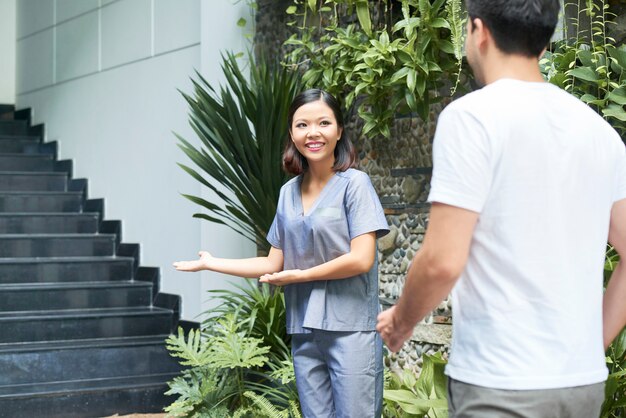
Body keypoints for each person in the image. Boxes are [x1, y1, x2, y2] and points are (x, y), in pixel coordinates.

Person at [376, 0, 626, 417]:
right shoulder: (598, 132)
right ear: (544, 45)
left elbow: (441, 261)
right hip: (580, 385)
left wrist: (401, 322)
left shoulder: (471, 118)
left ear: (479, 32)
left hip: (501, 384)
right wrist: (588, 346)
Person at [174, 88, 389, 418]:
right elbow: (273, 261)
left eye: (323, 123)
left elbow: (362, 258)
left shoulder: (354, 185)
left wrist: (301, 275)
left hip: (350, 330)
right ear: (291, 132)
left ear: (339, 130)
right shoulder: (288, 192)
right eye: (302, 125)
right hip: (304, 330)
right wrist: (212, 263)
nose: (312, 133)